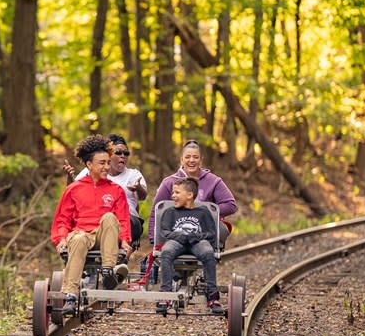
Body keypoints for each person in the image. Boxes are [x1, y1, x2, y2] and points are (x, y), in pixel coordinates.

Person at [51, 134, 132, 314]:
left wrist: (125, 241)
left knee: (110, 217)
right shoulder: (74, 189)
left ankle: (108, 272)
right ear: (89, 165)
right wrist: (61, 239)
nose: (106, 167)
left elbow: (123, 220)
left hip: (105, 236)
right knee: (79, 239)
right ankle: (70, 297)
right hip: (81, 235)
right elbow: (62, 219)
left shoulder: (116, 190)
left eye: (107, 162)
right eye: (101, 163)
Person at [147, 139, 237, 247]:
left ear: (201, 161)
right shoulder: (169, 182)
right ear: (181, 160)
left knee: (222, 229)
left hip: (204, 229)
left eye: (195, 157)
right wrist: (153, 239)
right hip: (176, 228)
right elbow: (156, 210)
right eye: (187, 157)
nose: (191, 160)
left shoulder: (213, 181)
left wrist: (204, 211)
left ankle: (207, 256)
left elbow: (231, 205)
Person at [63, 133, 148, 246]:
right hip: (96, 218)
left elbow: (143, 197)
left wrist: (138, 188)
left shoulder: (133, 174)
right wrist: (70, 177)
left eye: (126, 153)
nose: (123, 156)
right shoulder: (91, 170)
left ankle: (119, 256)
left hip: (127, 219)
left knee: (119, 222)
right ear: (109, 154)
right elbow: (73, 192)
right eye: (118, 152)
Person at [155, 177, 223, 315]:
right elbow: (165, 231)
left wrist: (194, 237)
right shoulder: (170, 212)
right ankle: (166, 293)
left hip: (197, 242)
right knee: (167, 251)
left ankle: (212, 296)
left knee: (207, 251)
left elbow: (211, 233)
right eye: (173, 193)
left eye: (177, 193)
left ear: (190, 195)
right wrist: (180, 236)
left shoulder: (203, 212)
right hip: (177, 241)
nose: (173, 196)